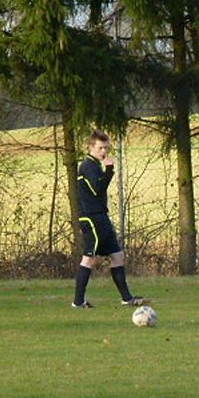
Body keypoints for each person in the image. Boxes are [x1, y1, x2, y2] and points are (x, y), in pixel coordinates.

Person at [71, 129, 146, 309]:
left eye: (106, 148)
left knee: (118, 255)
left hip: (102, 217)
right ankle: (78, 302)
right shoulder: (87, 166)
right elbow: (98, 189)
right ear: (91, 147)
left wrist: (106, 170)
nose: (104, 152)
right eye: (100, 148)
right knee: (89, 258)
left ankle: (127, 298)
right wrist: (110, 170)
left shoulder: (95, 165)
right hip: (92, 219)